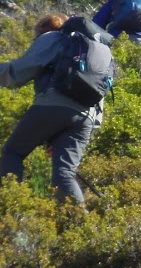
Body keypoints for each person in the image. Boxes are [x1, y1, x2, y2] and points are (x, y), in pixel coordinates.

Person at [0, 14, 104, 204]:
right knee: (65, 173)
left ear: (42, 30)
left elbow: (18, 72)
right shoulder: (91, 47)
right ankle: (77, 224)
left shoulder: (53, 38)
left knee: (12, 153)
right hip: (87, 118)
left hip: (53, 105)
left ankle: (10, 208)